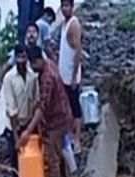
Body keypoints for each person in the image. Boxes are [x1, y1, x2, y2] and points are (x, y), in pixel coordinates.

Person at [21, 46, 74, 177]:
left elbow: (42, 108)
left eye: (32, 64)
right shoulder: (50, 64)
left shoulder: (46, 78)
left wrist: (28, 131)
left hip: (56, 120)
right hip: (63, 114)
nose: (31, 67)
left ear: (37, 60)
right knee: (59, 151)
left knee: (51, 157)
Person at [57, 0, 83, 151]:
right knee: (66, 107)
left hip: (70, 76)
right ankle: (69, 136)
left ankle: (77, 140)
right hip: (64, 74)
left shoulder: (73, 25)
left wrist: (74, 77)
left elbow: (78, 51)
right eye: (63, 6)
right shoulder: (64, 24)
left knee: (75, 108)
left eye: (67, 6)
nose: (65, 9)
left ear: (72, 7)